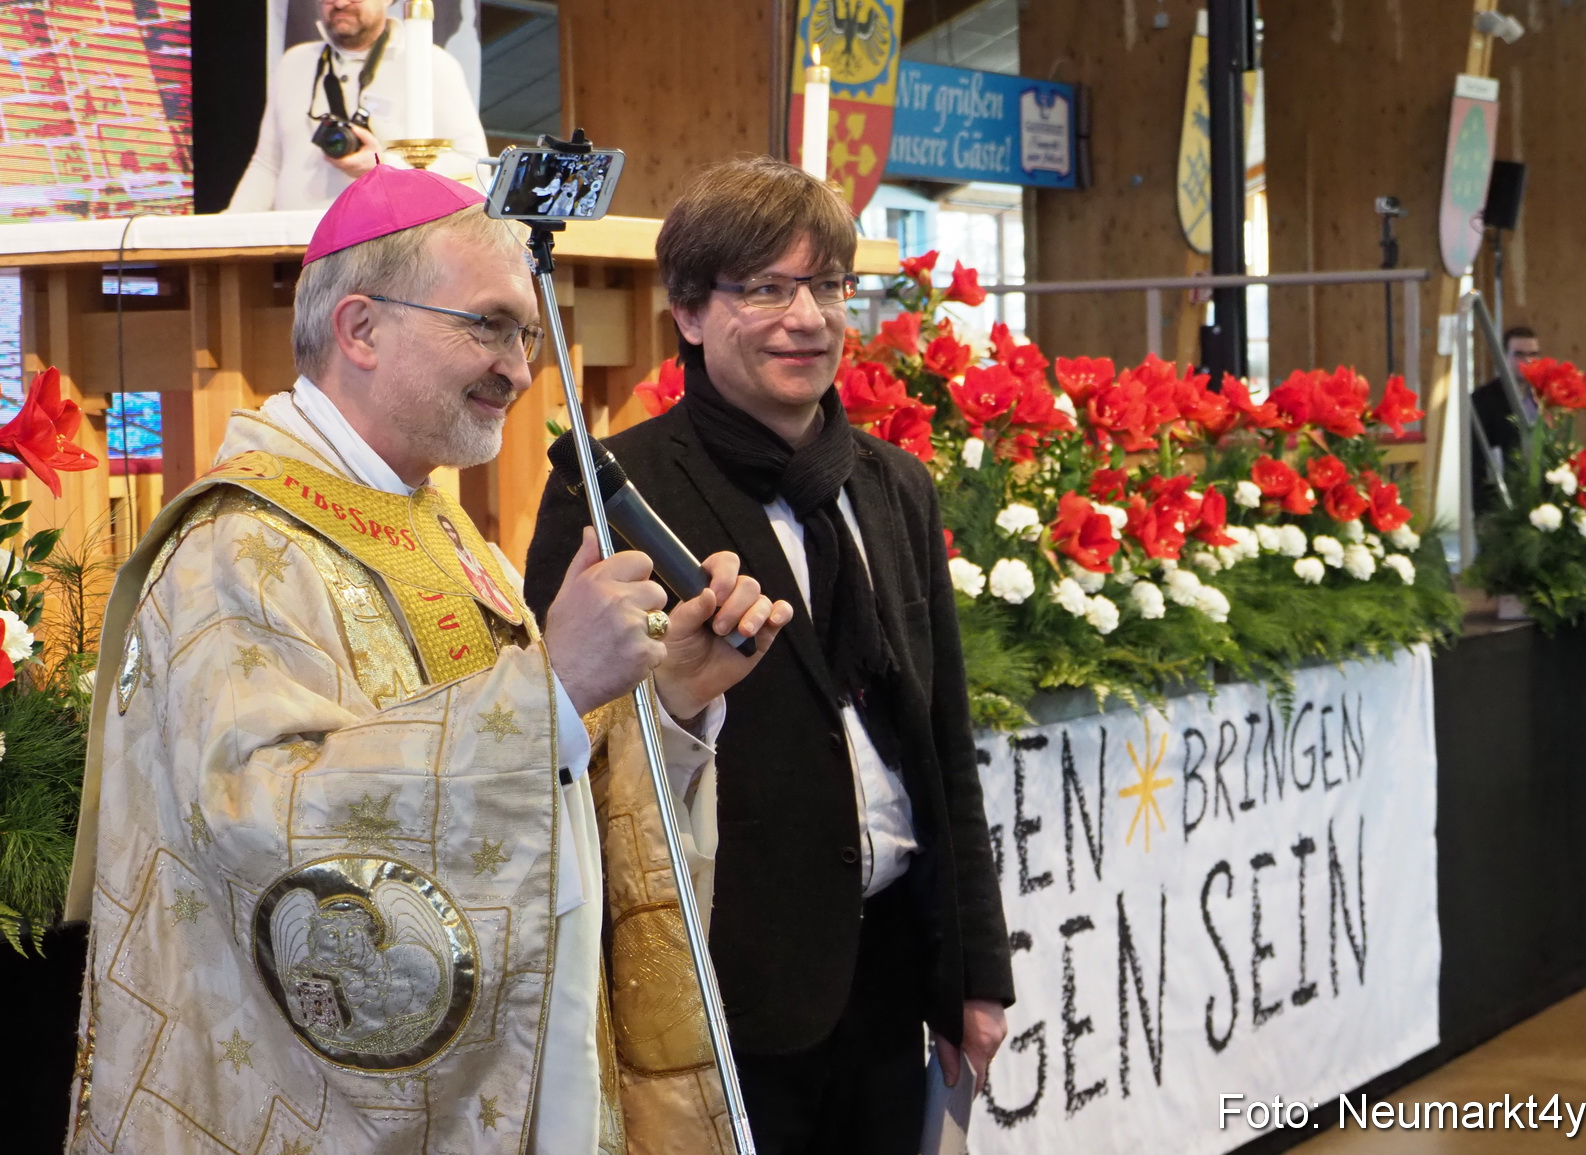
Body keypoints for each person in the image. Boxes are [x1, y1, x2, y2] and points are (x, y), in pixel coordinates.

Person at [65, 163, 792, 1154]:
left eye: (527, 334)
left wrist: (664, 699)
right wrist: (554, 693)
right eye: (488, 325)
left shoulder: (438, 527)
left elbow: (555, 780)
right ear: (359, 329)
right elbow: (260, 827)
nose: (519, 366)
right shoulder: (237, 544)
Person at [524, 156, 1014, 1155]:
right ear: (691, 313)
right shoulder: (616, 491)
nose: (809, 317)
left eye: (828, 286)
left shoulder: (892, 486)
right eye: (766, 289)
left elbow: (940, 738)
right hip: (729, 986)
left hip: (887, 977)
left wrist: (973, 969)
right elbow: (567, 744)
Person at [226, 0, 489, 213]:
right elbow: (267, 165)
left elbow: (474, 165)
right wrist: (227, 229)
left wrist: (385, 165)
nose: (340, 4)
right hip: (291, 254)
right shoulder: (294, 62)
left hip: (383, 254)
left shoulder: (432, 64)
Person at [1471, 325, 1543, 513]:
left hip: (1540, 499)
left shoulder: (1545, 396)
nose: (1527, 361)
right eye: (1519, 354)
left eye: (1533, 354)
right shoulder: (1483, 399)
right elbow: (1476, 460)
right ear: (1504, 357)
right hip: (1502, 502)